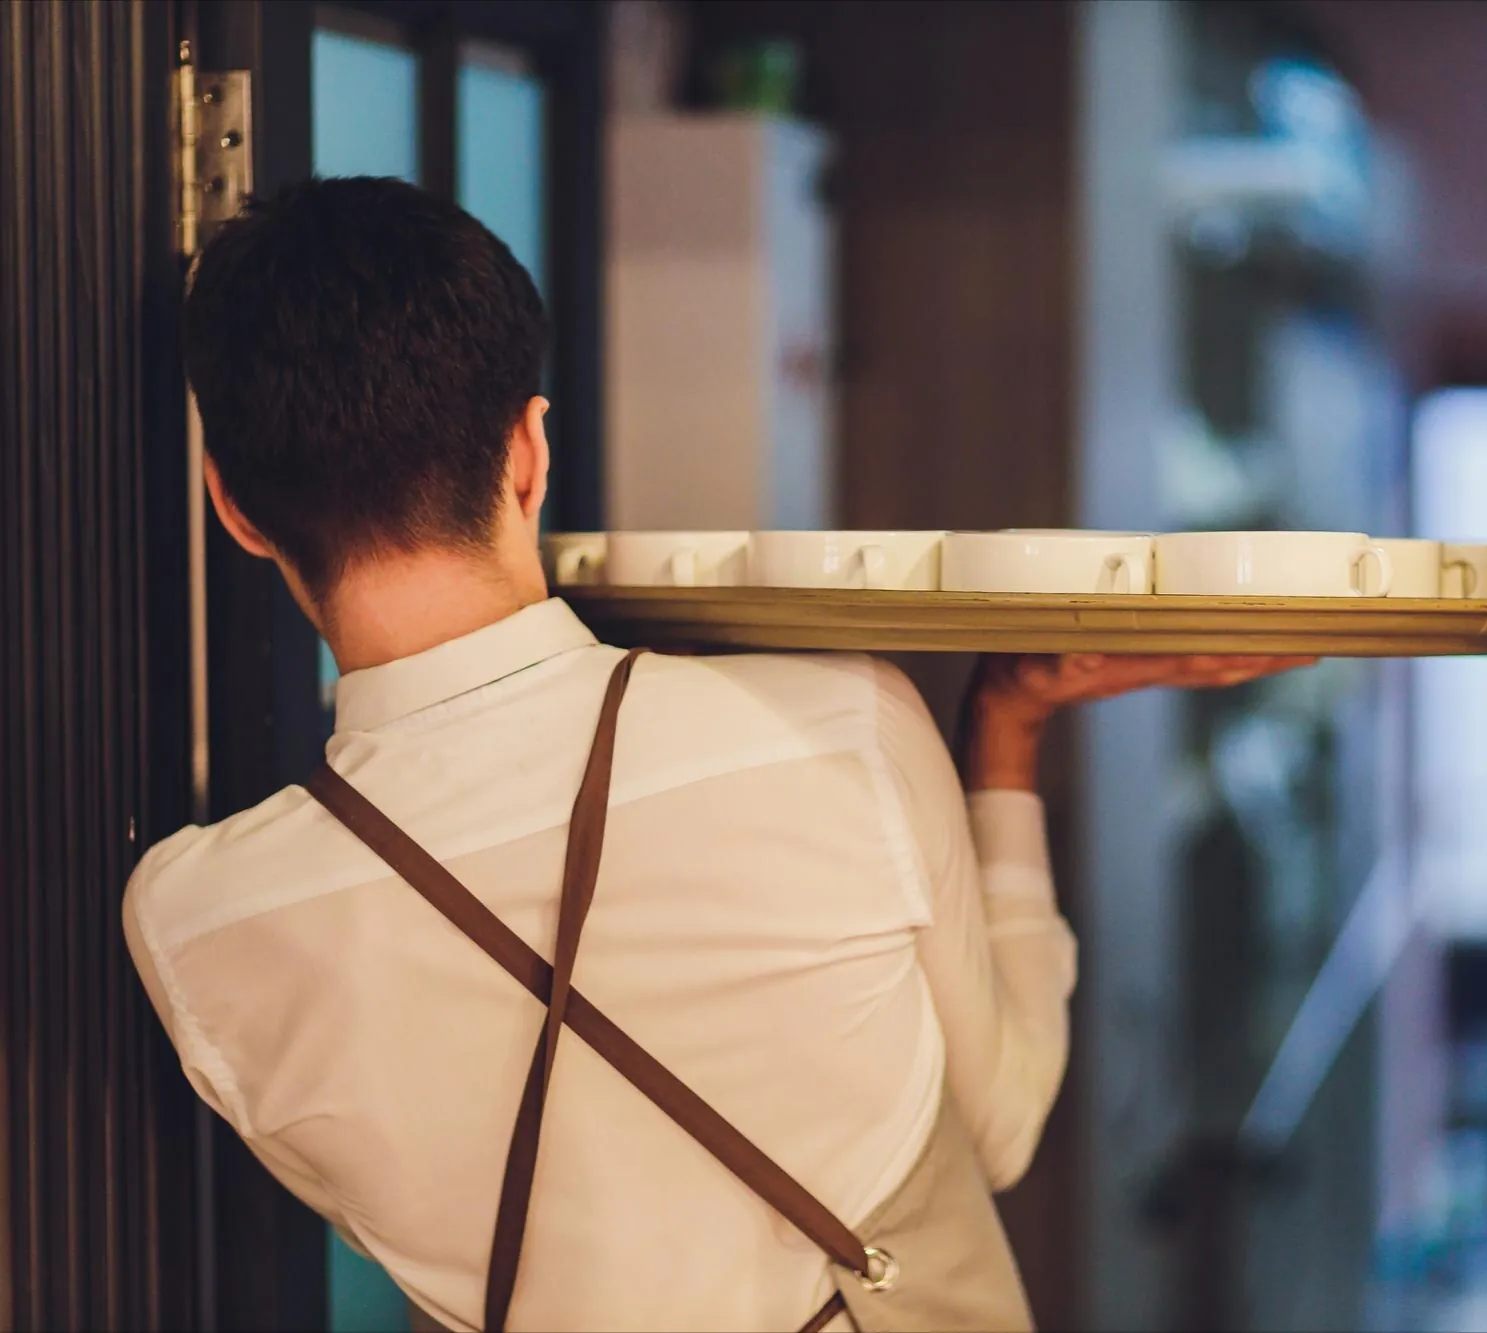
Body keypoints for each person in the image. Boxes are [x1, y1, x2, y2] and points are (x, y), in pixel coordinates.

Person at [123, 176, 1310, 1332]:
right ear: (529, 453)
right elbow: (993, 1127)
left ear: (233, 506)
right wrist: (1004, 732)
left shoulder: (197, 927)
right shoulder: (836, 727)